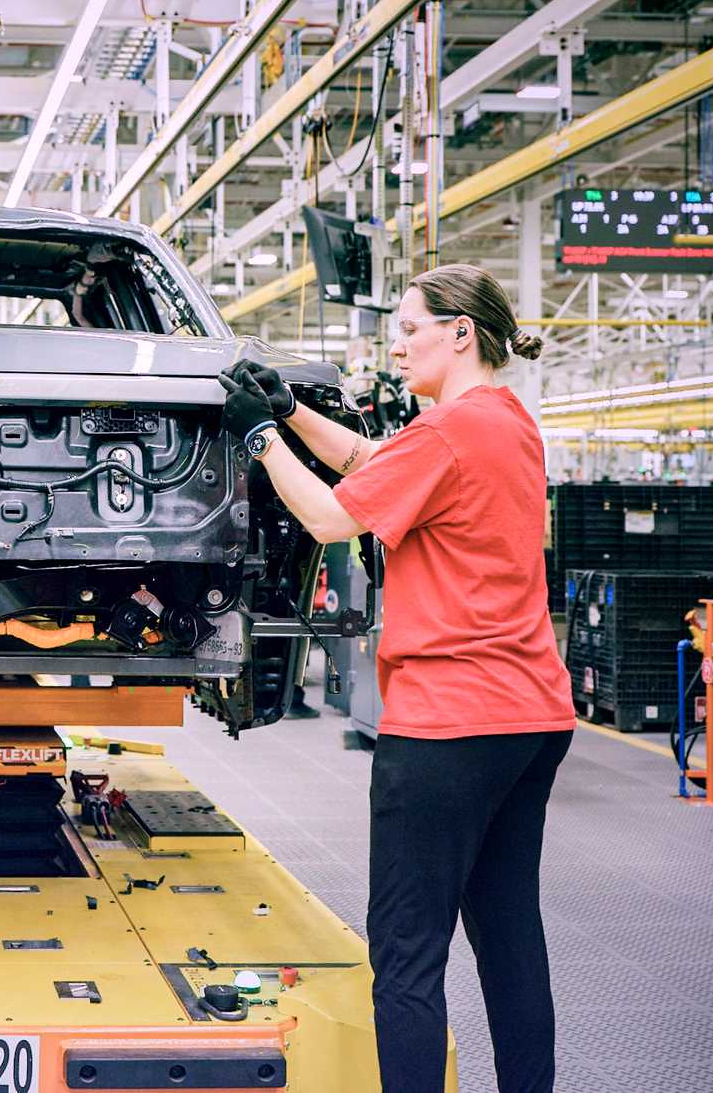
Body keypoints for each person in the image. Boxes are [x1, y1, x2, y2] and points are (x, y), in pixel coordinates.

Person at [217, 263, 575, 1093]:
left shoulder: (449, 432)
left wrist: (257, 439)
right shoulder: (504, 421)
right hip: (530, 719)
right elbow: (379, 460)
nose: (400, 344)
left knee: (407, 952)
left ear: (461, 332)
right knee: (509, 929)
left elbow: (331, 516)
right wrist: (292, 412)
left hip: (449, 725)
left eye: (411, 328)